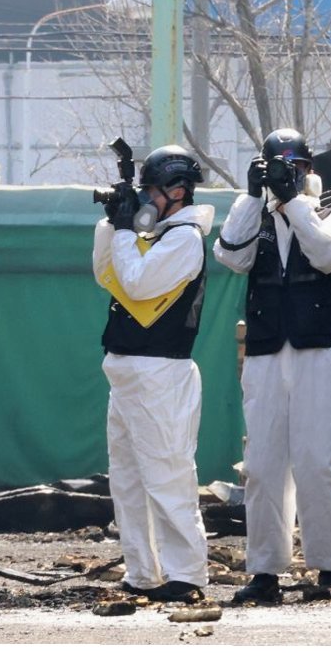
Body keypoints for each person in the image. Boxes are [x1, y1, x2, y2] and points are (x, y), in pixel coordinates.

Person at [214, 128, 331, 604]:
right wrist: (252, 197)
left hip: (319, 354)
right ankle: (265, 571)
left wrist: (294, 202)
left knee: (321, 464)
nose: (285, 175)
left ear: (308, 170)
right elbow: (229, 255)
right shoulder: (253, 219)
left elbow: (328, 254)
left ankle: (329, 568)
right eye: (278, 168)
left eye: (293, 168)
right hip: (267, 355)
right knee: (263, 466)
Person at [92, 145, 213, 604]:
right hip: (125, 369)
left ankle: (186, 575)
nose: (144, 200)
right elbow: (106, 273)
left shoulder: (184, 239)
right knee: (126, 480)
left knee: (167, 475)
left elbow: (139, 283)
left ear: (178, 191)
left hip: (160, 371)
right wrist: (112, 223)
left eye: (150, 192)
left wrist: (126, 230)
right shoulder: (154, 234)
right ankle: (141, 571)